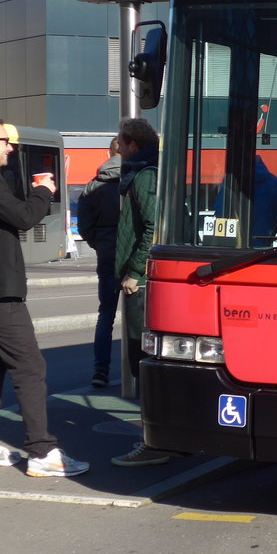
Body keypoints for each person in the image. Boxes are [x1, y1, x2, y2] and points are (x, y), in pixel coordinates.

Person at [0, 116, 88, 478]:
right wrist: (44, 191)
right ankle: (42, 452)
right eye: (4, 140)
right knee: (29, 367)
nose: (10, 147)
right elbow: (24, 216)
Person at [111, 117, 171, 467]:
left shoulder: (144, 175)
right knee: (141, 360)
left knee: (140, 359)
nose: (116, 146)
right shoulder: (145, 172)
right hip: (139, 279)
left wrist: (134, 271)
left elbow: (152, 227)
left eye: (120, 141)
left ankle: (152, 441)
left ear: (132, 144)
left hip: (141, 283)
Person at [76, 138, 121, 388]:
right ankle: (139, 368)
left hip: (107, 254)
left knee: (106, 314)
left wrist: (99, 244)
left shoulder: (92, 187)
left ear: (109, 153)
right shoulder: (138, 181)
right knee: (142, 316)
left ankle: (100, 371)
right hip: (135, 255)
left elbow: (84, 226)